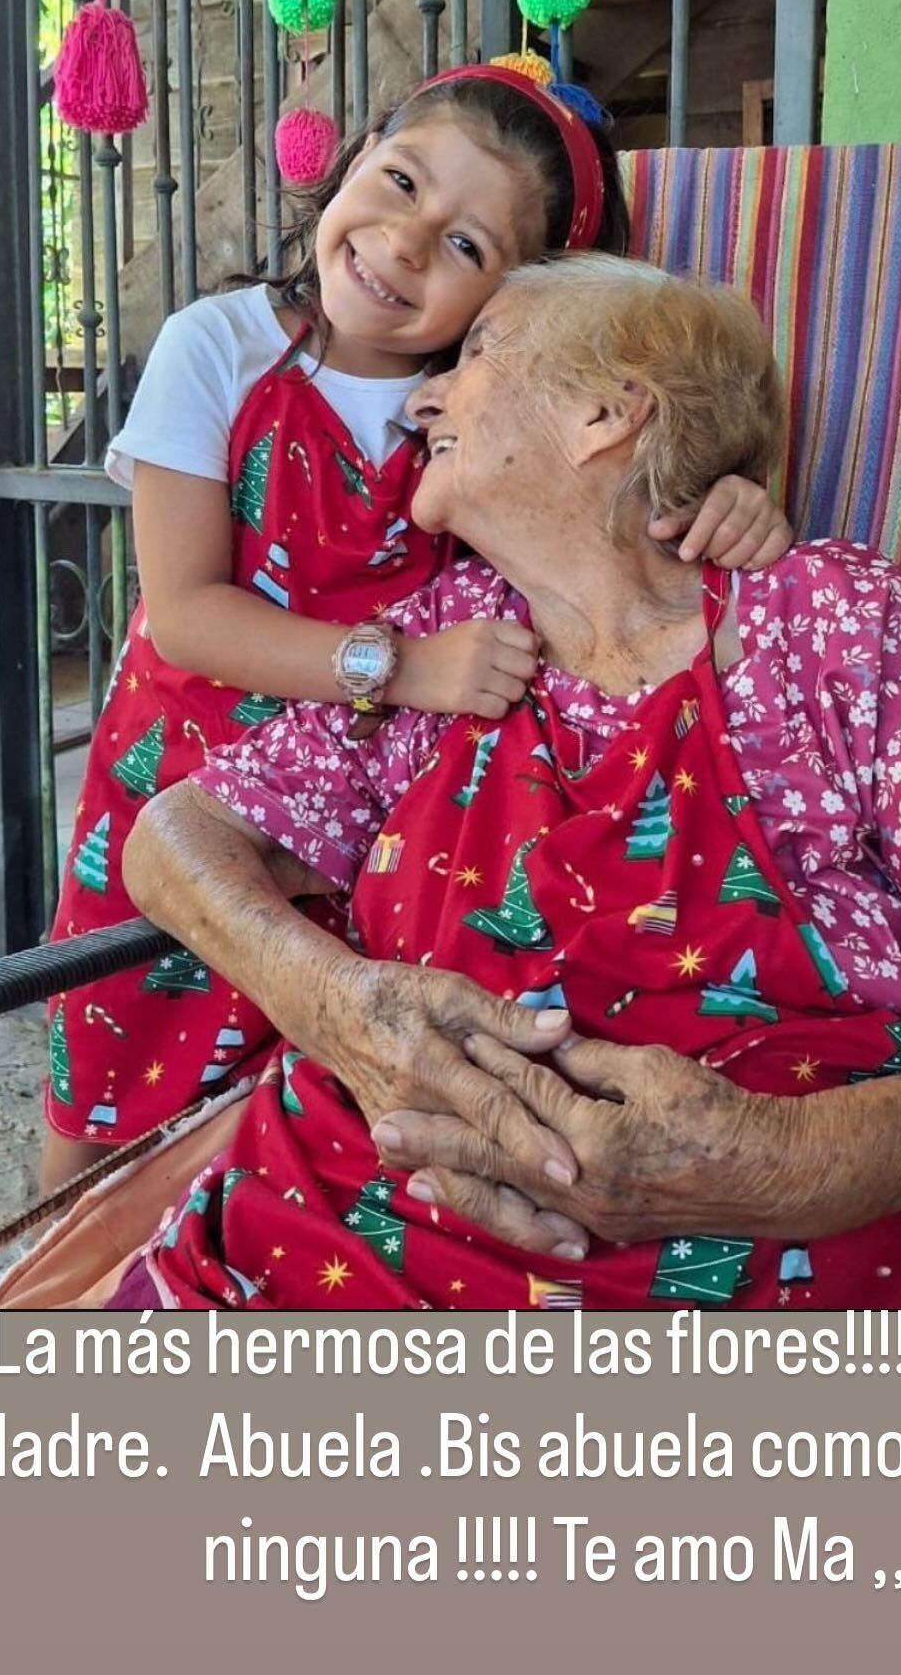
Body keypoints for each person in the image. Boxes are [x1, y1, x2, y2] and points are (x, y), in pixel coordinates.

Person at [105, 255, 901, 1312]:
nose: (423, 396)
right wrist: (344, 1009)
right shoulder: (439, 644)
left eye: (480, 351)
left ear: (605, 413)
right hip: (306, 1259)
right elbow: (174, 838)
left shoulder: (840, 626)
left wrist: (799, 1156)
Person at [44, 70, 790, 1192]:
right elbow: (189, 615)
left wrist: (734, 497)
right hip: (176, 777)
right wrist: (398, 668)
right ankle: (42, 1296)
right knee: (106, 1059)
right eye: (398, 181)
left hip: (363, 807)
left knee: (285, 1088)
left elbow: (622, 517)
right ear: (354, 158)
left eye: (466, 248)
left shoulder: (485, 414)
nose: (401, 243)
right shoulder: (221, 346)